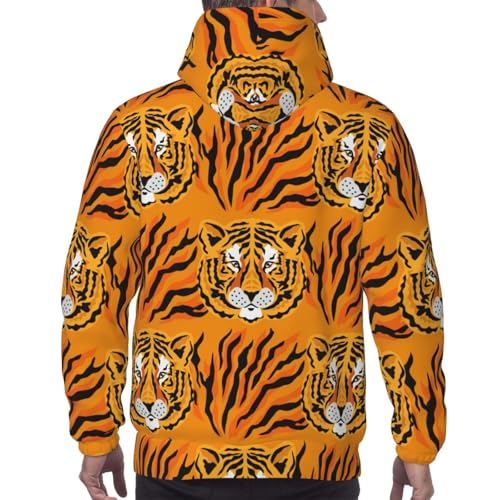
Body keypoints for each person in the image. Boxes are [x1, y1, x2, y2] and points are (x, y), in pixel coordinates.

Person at [60, 0, 447, 499]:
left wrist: (96, 429)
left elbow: (91, 290)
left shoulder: (137, 128)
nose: (322, 10)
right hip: (316, 460)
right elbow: (411, 300)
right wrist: (417, 442)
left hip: (175, 459)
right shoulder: (368, 130)